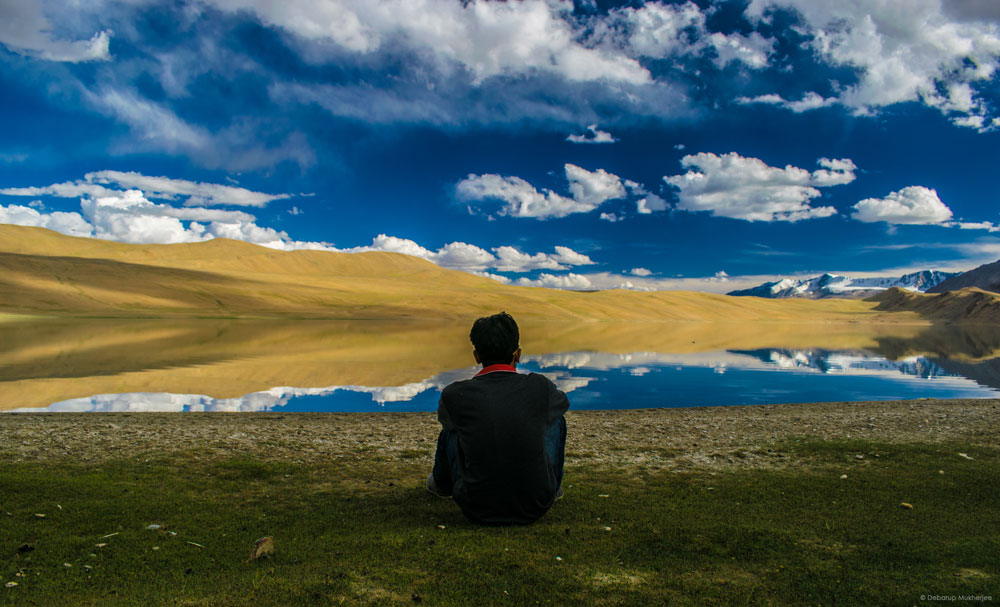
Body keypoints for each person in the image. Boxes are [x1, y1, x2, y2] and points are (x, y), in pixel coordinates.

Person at [427, 312, 569, 525]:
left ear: (476, 356)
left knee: (451, 427)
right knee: (556, 419)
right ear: (518, 354)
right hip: (536, 504)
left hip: (474, 505)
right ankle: (552, 487)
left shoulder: (455, 394)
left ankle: (441, 484)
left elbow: (448, 423)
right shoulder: (540, 387)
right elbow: (562, 404)